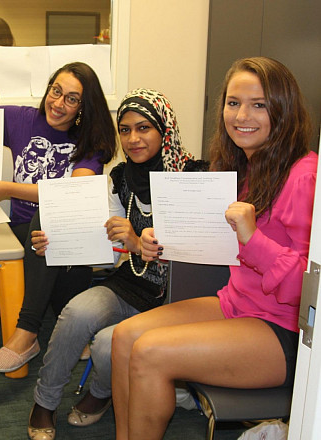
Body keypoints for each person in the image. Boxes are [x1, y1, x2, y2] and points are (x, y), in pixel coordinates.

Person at [111, 57, 317, 440]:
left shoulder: (305, 176)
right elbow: (215, 242)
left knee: (150, 353)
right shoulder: (242, 166)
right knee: (124, 338)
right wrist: (162, 237)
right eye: (233, 102)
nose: (242, 115)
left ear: (283, 110)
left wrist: (252, 238)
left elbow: (309, 289)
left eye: (259, 104)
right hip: (236, 304)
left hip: (284, 329)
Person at [25, 89, 207, 440]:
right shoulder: (121, 178)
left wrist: (138, 244)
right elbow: (105, 247)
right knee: (76, 312)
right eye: (125, 130)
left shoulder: (194, 178)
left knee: (108, 343)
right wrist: (55, 244)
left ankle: (99, 393)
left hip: (175, 299)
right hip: (131, 284)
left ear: (164, 130)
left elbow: (206, 258)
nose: (133, 139)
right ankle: (44, 402)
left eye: (144, 128)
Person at [0, 62, 117, 373]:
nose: (58, 103)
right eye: (56, 91)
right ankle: (49, 330)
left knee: (52, 215)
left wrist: (5, 189)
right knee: (42, 230)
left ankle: (33, 329)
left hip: (68, 230)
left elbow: (70, 192)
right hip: (23, 228)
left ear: (83, 107)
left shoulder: (92, 141)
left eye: (71, 99)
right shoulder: (22, 119)